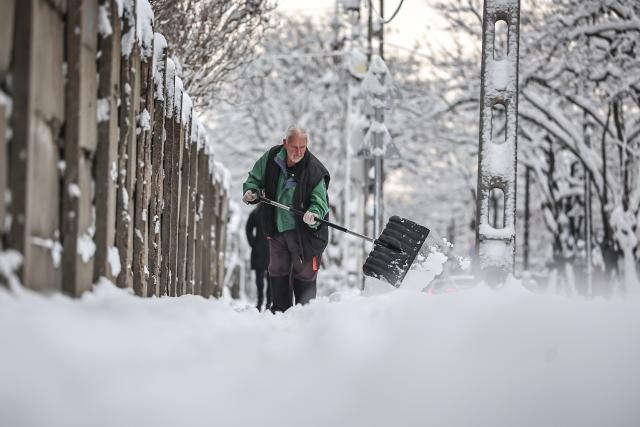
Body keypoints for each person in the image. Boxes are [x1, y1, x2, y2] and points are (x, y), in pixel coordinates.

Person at [242, 125, 330, 312]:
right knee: (277, 269)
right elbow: (254, 179)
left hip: (306, 234)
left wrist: (314, 213)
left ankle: (304, 313)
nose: (298, 152)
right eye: (294, 147)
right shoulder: (271, 158)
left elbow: (320, 202)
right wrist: (251, 191)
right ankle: (280, 313)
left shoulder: (314, 170)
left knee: (305, 273)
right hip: (276, 228)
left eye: (302, 147)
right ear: (285, 143)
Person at [245, 205, 271, 311]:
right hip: (259, 250)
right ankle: (260, 302)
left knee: (271, 279)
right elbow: (248, 228)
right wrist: (253, 243)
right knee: (259, 280)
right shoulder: (256, 212)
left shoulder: (274, 210)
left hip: (272, 249)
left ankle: (269, 303)